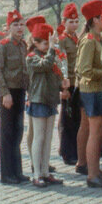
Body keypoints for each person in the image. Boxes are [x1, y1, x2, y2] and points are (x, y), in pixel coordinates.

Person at [25, 22, 64, 187]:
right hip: (38, 99)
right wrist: (52, 49)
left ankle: (46, 172)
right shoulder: (31, 57)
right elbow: (45, 66)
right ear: (36, 42)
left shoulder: (49, 54)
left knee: (48, 138)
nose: (48, 46)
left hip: (49, 99)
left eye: (49, 43)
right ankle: (36, 174)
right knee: (39, 138)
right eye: (45, 43)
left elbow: (55, 71)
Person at [74, 0, 102, 187]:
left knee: (98, 131)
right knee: (95, 133)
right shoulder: (89, 41)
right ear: (95, 19)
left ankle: (95, 170)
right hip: (92, 90)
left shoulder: (97, 39)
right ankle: (92, 174)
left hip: (97, 89)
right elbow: (84, 70)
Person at [0, 10, 29, 185]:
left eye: (22, 24)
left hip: (20, 90)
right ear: (9, 27)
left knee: (18, 131)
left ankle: (17, 170)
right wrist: (4, 93)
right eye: (16, 24)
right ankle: (7, 173)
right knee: (7, 133)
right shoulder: (4, 45)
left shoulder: (23, 45)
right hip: (8, 92)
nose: (19, 28)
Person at [57, 3, 82, 166]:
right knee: (67, 120)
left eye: (76, 21)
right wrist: (62, 86)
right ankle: (67, 152)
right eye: (70, 22)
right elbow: (60, 64)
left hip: (77, 83)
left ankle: (75, 150)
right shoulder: (62, 40)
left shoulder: (77, 39)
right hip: (68, 83)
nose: (74, 25)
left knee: (77, 119)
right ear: (63, 22)